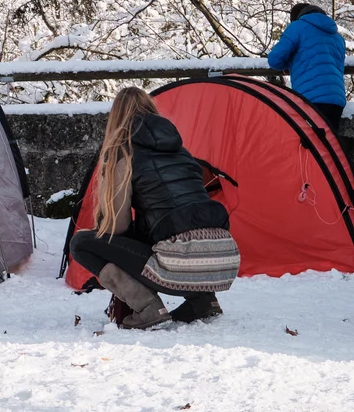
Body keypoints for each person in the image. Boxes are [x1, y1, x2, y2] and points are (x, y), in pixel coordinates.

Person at [69, 88, 236, 328]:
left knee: (82, 244)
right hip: (222, 262)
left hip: (179, 264)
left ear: (117, 118)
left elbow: (118, 224)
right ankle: (204, 301)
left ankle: (148, 307)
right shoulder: (181, 151)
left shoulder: (124, 153)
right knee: (168, 226)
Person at [266, 0, 348, 131]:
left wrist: (289, 64)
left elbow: (275, 60)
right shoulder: (337, 37)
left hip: (310, 98)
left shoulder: (297, 27)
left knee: (311, 146)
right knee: (330, 147)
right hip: (336, 100)